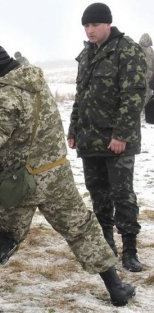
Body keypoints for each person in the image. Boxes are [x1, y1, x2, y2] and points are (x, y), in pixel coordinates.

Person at [0, 40, 136, 311]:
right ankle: (116, 288)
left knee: (1, 235)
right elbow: (18, 134)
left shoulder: (5, 96)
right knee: (81, 229)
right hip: (56, 176)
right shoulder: (36, 83)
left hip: (19, 183)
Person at [67, 3, 146, 272]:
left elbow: (134, 95)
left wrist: (121, 134)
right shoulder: (85, 55)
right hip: (90, 140)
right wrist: (73, 129)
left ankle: (130, 250)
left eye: (95, 25)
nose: (89, 31)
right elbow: (81, 96)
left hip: (116, 141)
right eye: (86, 26)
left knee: (122, 195)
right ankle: (106, 245)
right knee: (98, 195)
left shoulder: (127, 50)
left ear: (107, 24)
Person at [139, 33, 154, 106]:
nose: (145, 40)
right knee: (140, 93)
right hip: (140, 74)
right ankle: (141, 111)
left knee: (148, 94)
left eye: (147, 39)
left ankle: (146, 111)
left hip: (150, 76)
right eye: (144, 39)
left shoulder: (151, 50)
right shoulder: (138, 48)